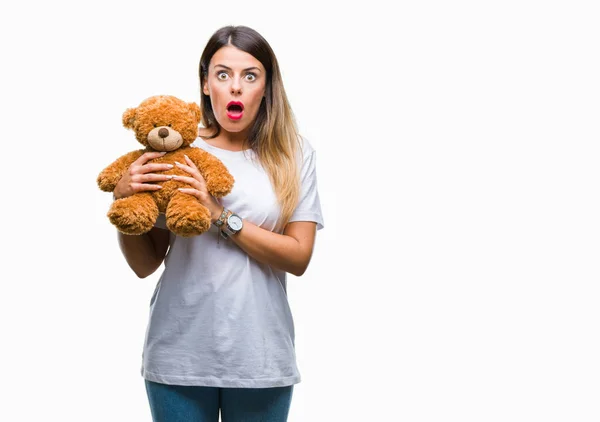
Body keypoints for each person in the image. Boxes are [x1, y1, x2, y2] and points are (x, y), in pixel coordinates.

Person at [112, 25, 324, 421]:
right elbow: (144, 265)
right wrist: (124, 203)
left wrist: (219, 215)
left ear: (267, 86)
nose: (236, 87)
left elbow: (299, 257)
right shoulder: (177, 151)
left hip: (260, 355)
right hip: (179, 354)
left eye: (250, 75)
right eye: (223, 74)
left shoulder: (294, 154)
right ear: (206, 84)